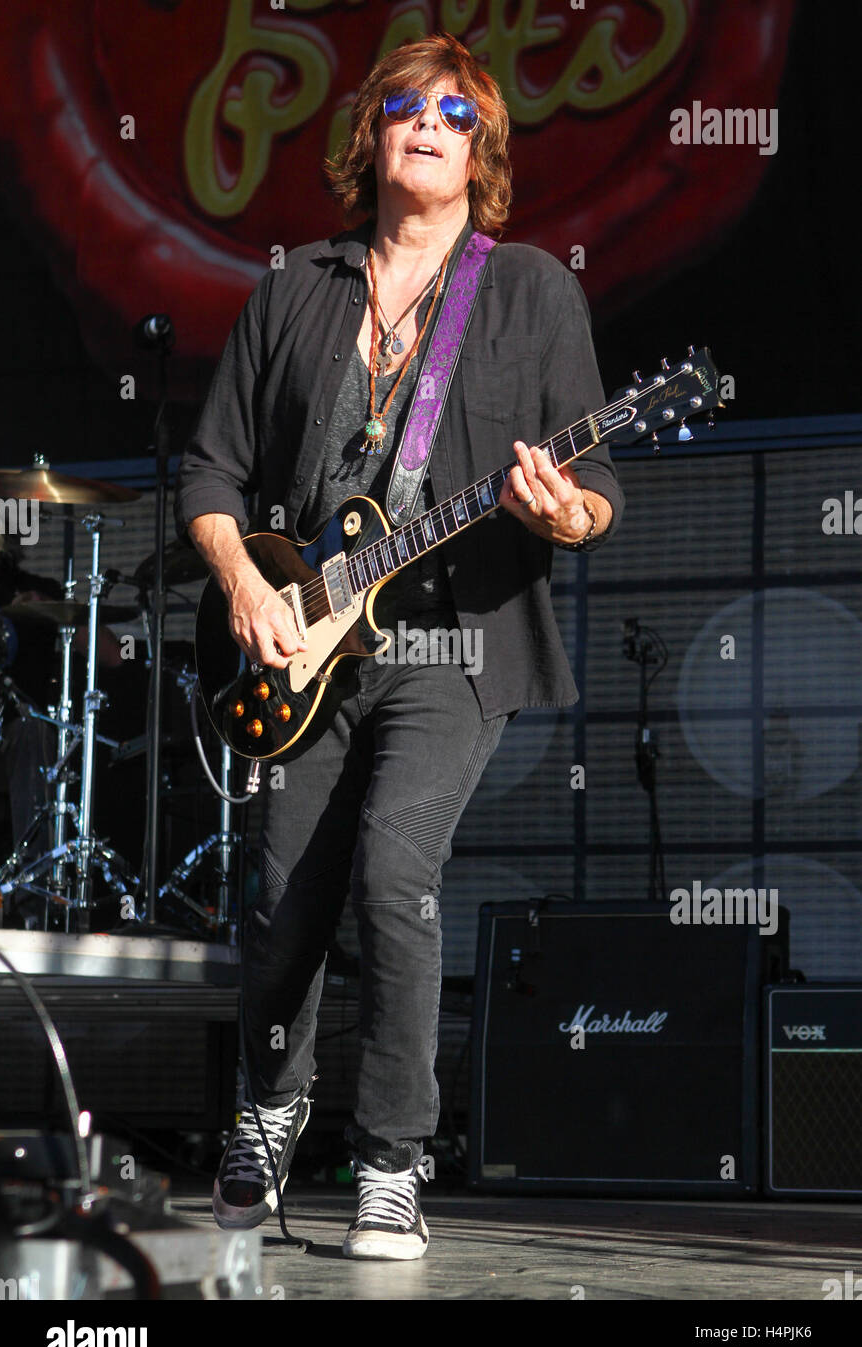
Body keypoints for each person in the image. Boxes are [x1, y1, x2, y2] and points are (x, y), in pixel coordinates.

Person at [175, 32, 624, 1260]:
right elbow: (210, 474)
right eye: (405, 107)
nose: (429, 123)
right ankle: (271, 1105)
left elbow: (594, 497)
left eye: (457, 114)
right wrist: (241, 587)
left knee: (393, 880)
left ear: (480, 152)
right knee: (279, 905)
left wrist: (561, 509)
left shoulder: (528, 289)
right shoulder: (294, 291)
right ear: (368, 136)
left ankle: (389, 1164)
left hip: (455, 647)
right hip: (300, 648)